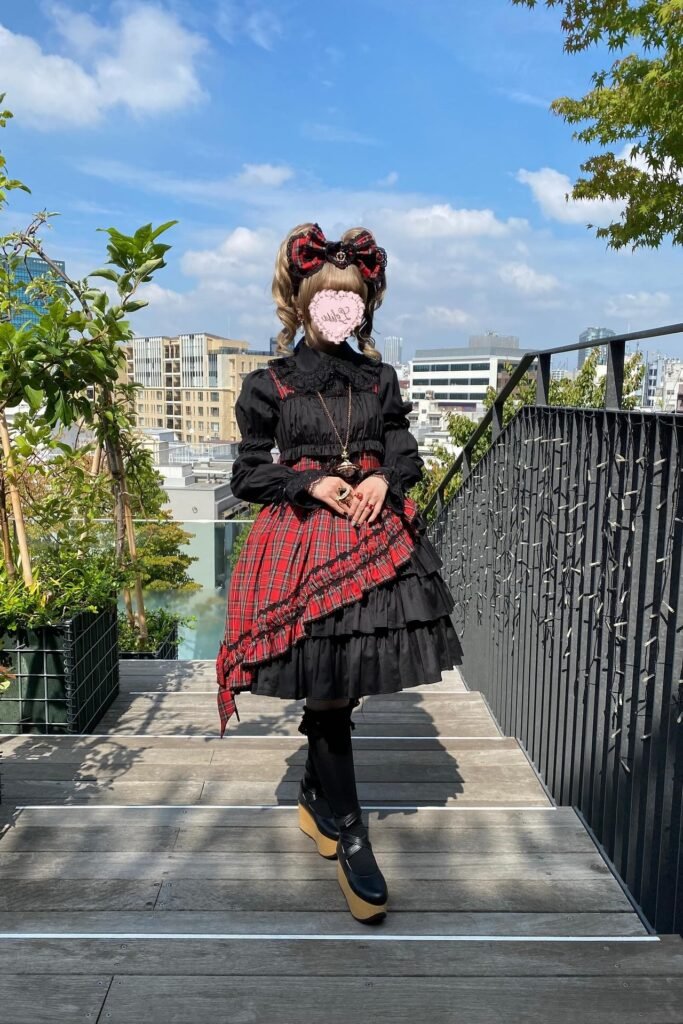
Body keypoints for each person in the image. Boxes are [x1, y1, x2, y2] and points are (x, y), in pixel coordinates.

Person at [216, 222, 463, 923]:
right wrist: (309, 482)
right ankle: (351, 833)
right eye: (326, 296)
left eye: (350, 298)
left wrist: (383, 477)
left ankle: (315, 796)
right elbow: (247, 473)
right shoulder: (268, 383)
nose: (338, 309)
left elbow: (403, 451)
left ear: (364, 305)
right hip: (300, 543)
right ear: (299, 303)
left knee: (342, 682)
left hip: (374, 542)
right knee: (326, 688)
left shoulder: (379, 379)